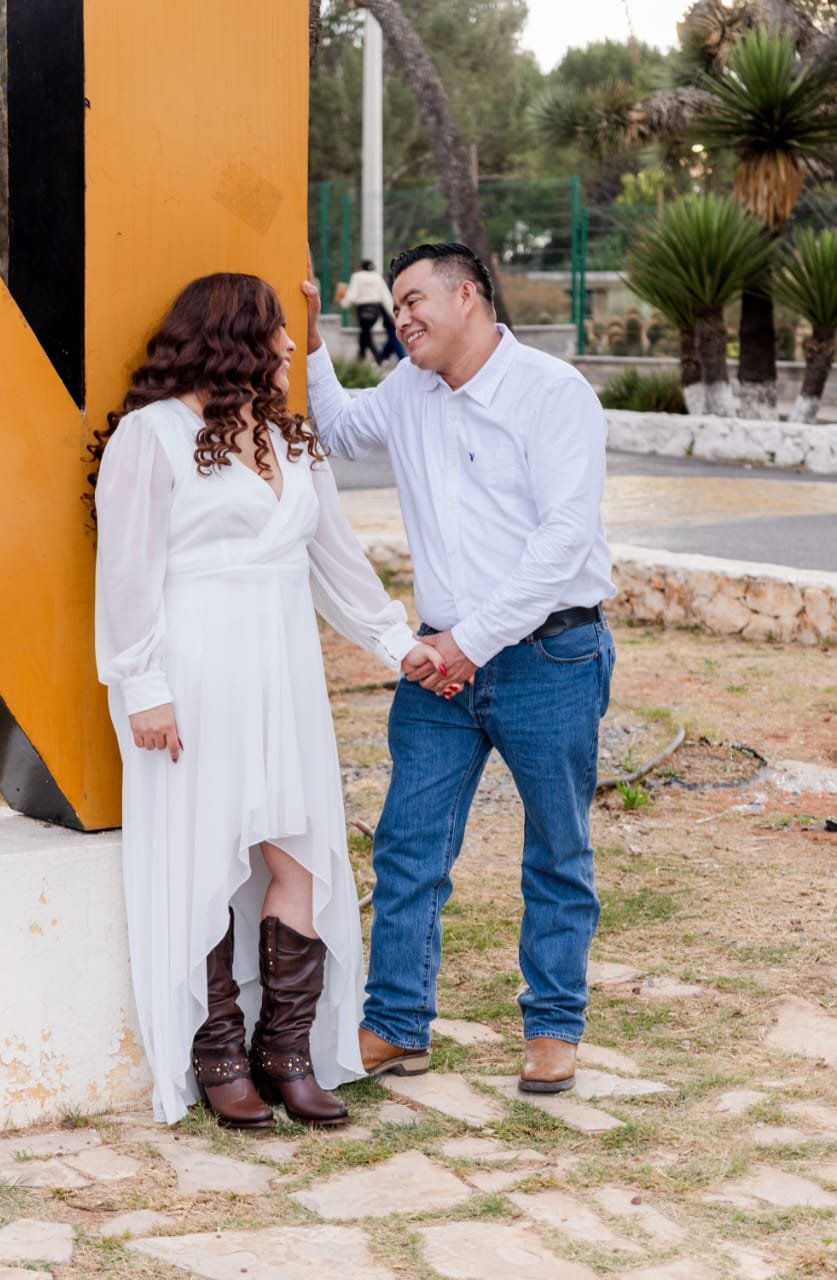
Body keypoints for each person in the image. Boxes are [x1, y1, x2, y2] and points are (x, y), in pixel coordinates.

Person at [92, 272, 443, 1129]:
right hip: (192, 677)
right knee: (206, 861)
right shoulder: (153, 435)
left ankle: (285, 1052)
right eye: (277, 331)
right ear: (233, 341)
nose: (291, 345)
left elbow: (338, 562)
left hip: (285, 677)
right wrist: (143, 686)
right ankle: (217, 1053)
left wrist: (399, 645)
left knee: (302, 861)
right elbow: (127, 574)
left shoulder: (293, 440)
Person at [302, 242, 616, 1094]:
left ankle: (552, 1027)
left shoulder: (551, 392)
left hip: (549, 653)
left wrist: (469, 642)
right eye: (395, 304)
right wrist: (309, 339)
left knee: (556, 849)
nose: (400, 317)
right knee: (408, 844)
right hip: (442, 662)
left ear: (467, 296)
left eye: (414, 300)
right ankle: (395, 1024)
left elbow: (563, 541)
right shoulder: (409, 390)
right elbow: (337, 428)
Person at [340, 259, 394, 363]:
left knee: (365, 333)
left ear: (361, 267)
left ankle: (373, 357)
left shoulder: (357, 276)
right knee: (365, 333)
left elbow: (352, 294)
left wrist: (344, 303)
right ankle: (363, 356)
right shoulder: (377, 277)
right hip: (375, 310)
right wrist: (392, 314)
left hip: (363, 309)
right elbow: (386, 297)